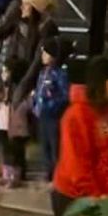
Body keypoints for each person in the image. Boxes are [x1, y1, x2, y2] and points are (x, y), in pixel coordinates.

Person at [51, 56, 108, 216]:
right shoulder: (76, 115)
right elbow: (77, 165)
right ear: (100, 83)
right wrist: (97, 197)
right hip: (77, 198)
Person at [0, 59, 32, 188]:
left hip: (16, 123)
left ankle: (16, 176)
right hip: (2, 121)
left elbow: (27, 103)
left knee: (15, 150)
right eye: (2, 71)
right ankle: (6, 175)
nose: (3, 74)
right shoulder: (1, 86)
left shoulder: (20, 88)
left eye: (6, 71)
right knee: (4, 149)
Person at [31, 37, 69, 181]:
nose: (43, 56)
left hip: (53, 116)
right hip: (41, 115)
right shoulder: (42, 73)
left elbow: (65, 96)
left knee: (55, 146)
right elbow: (39, 90)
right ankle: (48, 171)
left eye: (45, 53)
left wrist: (52, 105)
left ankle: (58, 174)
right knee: (44, 145)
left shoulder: (60, 74)